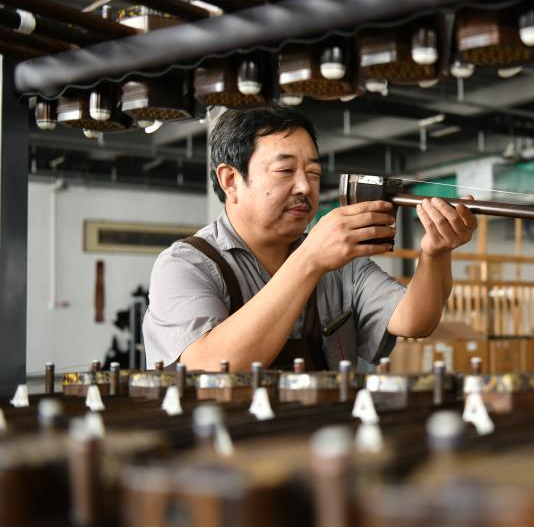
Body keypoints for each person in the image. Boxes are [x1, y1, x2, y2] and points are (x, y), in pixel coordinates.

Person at [142, 106, 477, 371]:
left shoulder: (338, 261)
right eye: (285, 171)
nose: (304, 186)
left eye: (313, 173)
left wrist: (434, 254)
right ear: (230, 180)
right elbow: (210, 365)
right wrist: (309, 260)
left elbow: (414, 320)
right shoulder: (186, 265)